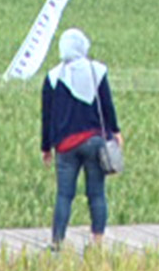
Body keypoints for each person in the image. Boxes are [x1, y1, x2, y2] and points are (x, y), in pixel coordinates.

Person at [41, 29, 120, 250]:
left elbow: (47, 115)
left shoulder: (53, 77)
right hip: (95, 141)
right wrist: (115, 131)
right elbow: (107, 105)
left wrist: (46, 147)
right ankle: (97, 241)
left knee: (64, 195)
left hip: (65, 146)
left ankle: (57, 242)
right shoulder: (98, 71)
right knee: (96, 193)